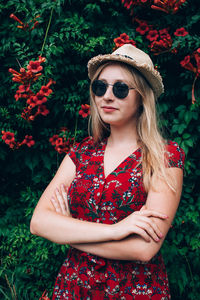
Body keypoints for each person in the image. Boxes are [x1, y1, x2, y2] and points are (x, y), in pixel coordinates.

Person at [30, 44, 185, 299]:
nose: (107, 96)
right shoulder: (82, 153)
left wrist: (68, 232)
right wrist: (116, 230)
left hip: (134, 291)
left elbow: (144, 248)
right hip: (74, 288)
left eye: (121, 89)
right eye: (100, 87)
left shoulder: (164, 156)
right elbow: (39, 223)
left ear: (142, 97)